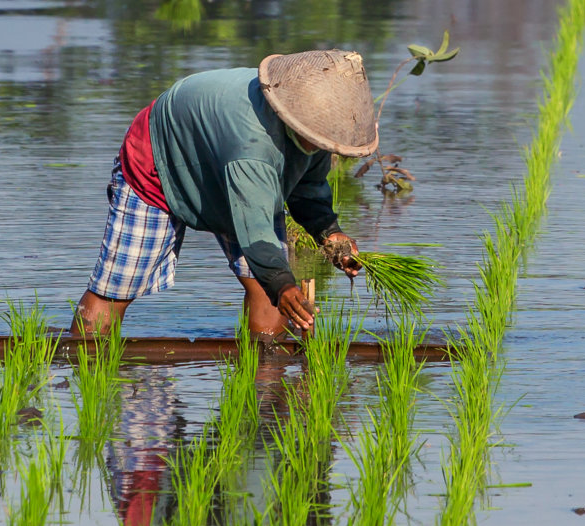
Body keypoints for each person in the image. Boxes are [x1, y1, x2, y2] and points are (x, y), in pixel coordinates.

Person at [74, 50, 371, 341]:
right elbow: (256, 231)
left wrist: (329, 232)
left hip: (226, 159)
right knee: (117, 287)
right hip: (160, 159)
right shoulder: (252, 146)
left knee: (266, 286)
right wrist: (282, 285)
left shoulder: (315, 132)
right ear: (295, 119)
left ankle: (264, 376)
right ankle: (84, 360)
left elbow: (308, 188)